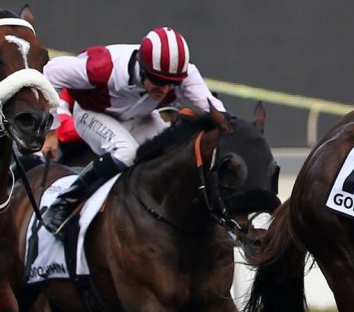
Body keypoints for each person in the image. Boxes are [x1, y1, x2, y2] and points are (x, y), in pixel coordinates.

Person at [38, 26, 225, 232]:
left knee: (173, 151)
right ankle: (64, 204)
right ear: (142, 68)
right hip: (91, 113)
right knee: (126, 152)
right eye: (158, 81)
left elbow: (219, 114)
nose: (164, 89)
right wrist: (51, 130)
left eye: (171, 84)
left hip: (138, 117)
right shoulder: (103, 67)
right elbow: (49, 74)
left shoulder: (187, 75)